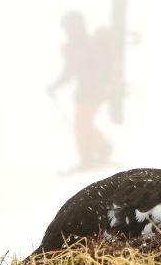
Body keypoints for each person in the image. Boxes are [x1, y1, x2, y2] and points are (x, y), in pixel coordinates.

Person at [48, 11, 115, 169]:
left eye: (71, 26)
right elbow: (70, 71)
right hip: (87, 92)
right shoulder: (76, 47)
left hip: (93, 91)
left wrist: (105, 85)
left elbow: (95, 68)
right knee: (83, 124)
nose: (69, 30)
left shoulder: (87, 45)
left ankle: (89, 156)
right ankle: (102, 147)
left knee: (81, 125)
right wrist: (55, 85)